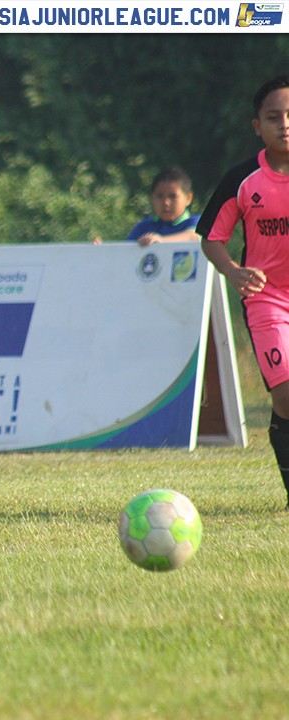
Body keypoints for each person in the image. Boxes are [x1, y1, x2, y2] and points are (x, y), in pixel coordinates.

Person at [199, 74, 289, 510]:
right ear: (257, 125)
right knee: (288, 392)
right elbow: (211, 238)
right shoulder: (242, 179)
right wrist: (233, 271)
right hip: (267, 299)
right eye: (274, 117)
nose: (285, 124)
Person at [125, 167, 201, 246]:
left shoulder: (196, 221)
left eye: (172, 196)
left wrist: (161, 240)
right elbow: (126, 251)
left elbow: (192, 237)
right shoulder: (143, 228)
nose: (166, 202)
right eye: (160, 196)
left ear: (188, 198)